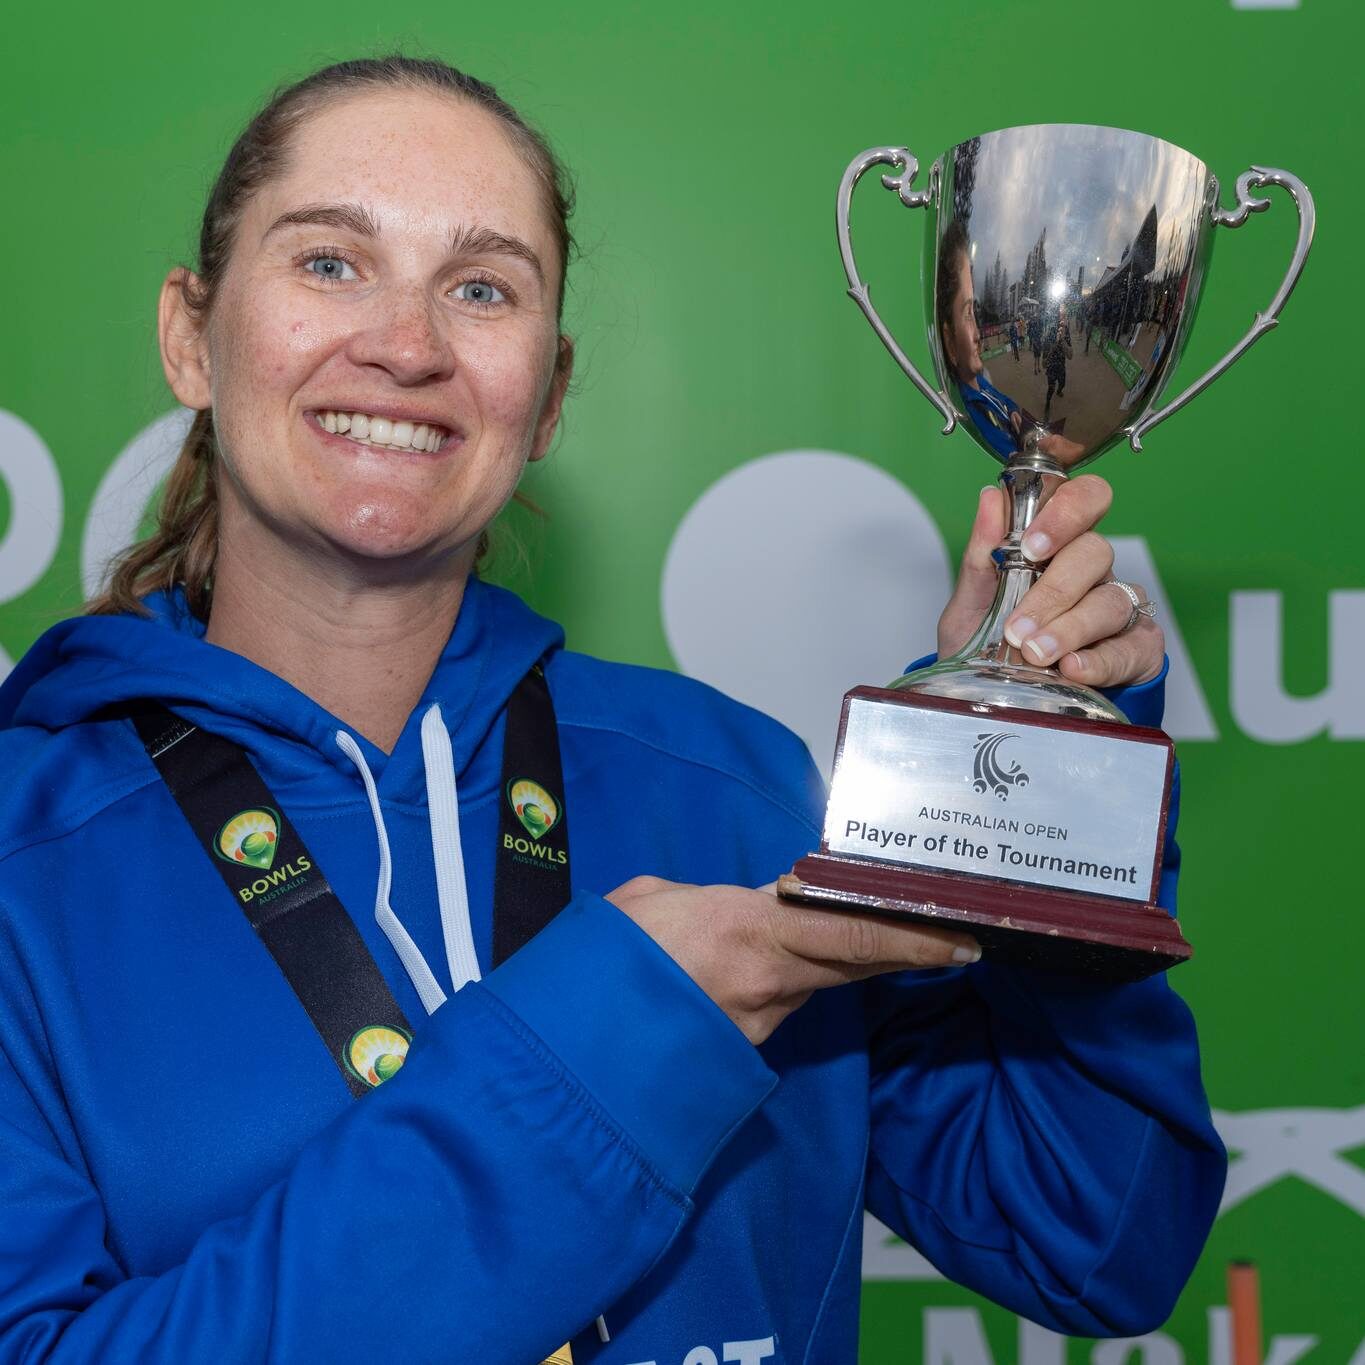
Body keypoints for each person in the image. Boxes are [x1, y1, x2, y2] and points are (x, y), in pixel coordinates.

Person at [0, 56, 1222, 1364]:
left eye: (480, 288)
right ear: (191, 333)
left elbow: (1092, 1241)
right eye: (329, 264)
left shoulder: (736, 791)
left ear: (550, 390)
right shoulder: (26, 854)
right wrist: (626, 1032)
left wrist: (1038, 773)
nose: (406, 346)